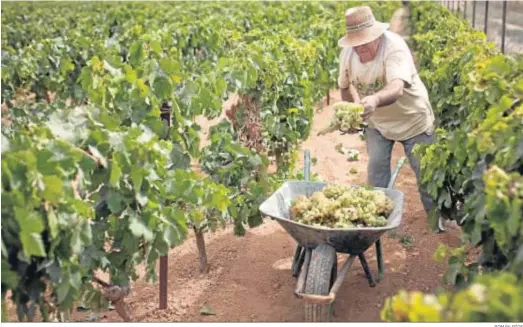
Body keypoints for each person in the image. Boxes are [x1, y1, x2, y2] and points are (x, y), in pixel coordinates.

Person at [336, 6, 447, 231]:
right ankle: (377, 224)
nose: (359, 49)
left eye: (363, 43)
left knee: (426, 176)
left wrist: (374, 100)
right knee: (377, 174)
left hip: (413, 120)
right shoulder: (348, 54)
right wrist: (351, 115)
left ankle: (439, 225)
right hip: (379, 125)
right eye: (354, 44)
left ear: (376, 36)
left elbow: (396, 89)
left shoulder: (394, 47)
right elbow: (345, 87)